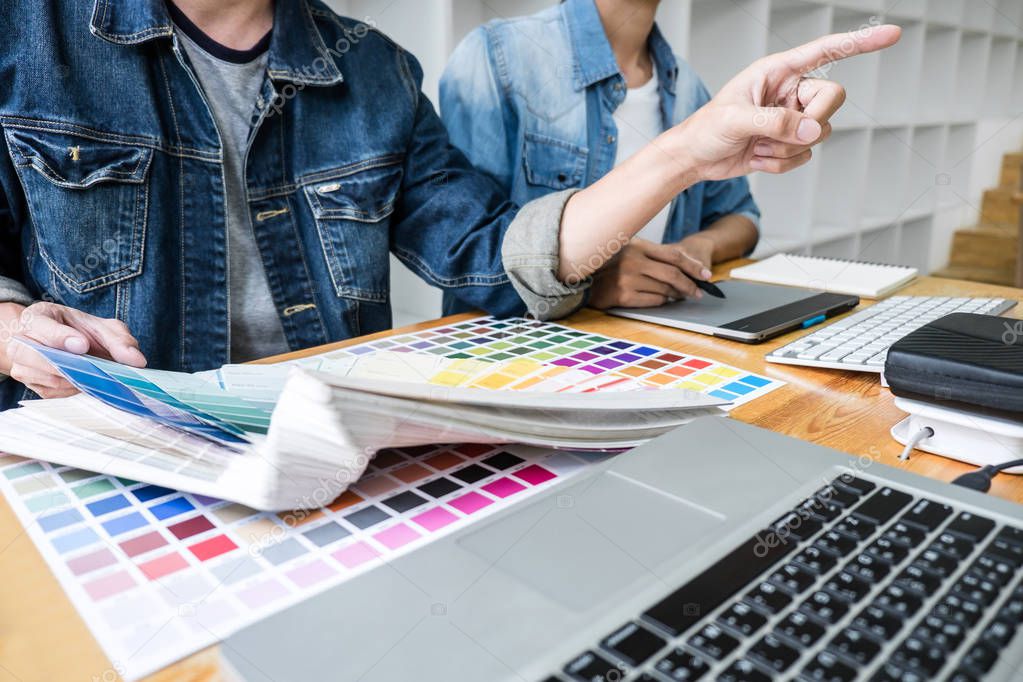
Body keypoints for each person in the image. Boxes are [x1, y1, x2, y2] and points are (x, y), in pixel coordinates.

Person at [0, 0, 899, 407]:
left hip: (314, 444)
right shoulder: (24, 32)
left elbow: (490, 255)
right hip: (95, 453)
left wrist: (679, 153)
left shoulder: (375, 70)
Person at [441, 0, 769, 312]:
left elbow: (742, 216)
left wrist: (700, 247)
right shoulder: (497, 55)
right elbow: (467, 246)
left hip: (647, 342)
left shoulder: (687, 88)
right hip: (522, 351)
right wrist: (586, 284)